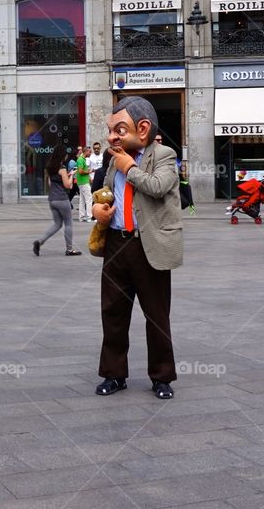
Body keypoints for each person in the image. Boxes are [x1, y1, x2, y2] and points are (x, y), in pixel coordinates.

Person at [92, 96, 182, 401]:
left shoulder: (164, 154)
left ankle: (161, 377)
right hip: (117, 243)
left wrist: (129, 167)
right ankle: (113, 374)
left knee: (156, 314)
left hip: (148, 244)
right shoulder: (113, 158)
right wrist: (98, 209)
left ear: (142, 129)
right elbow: (104, 191)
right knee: (112, 312)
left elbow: (158, 187)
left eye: (119, 130)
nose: (111, 137)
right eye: (111, 130)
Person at [32, 147, 81, 257]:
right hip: (62, 199)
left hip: (52, 199)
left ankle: (40, 241)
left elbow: (51, 183)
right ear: (62, 156)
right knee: (68, 224)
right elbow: (67, 185)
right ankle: (69, 249)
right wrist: (72, 175)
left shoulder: (50, 168)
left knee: (57, 224)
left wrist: (66, 176)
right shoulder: (62, 168)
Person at [75, 144, 93, 222]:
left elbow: (80, 171)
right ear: (85, 152)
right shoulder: (81, 160)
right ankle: (89, 217)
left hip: (81, 182)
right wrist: (89, 172)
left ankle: (81, 217)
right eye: (89, 152)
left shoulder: (81, 159)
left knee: (82, 200)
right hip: (83, 182)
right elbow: (80, 171)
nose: (90, 154)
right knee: (89, 199)